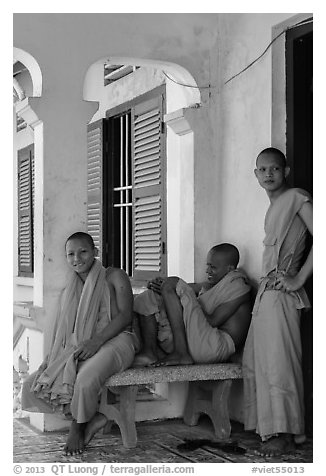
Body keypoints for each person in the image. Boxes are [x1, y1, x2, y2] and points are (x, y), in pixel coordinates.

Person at [21, 232, 138, 456]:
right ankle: (95, 418)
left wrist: (97, 341)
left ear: (95, 252)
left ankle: (78, 426)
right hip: (85, 345)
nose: (77, 259)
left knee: (84, 379)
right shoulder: (72, 287)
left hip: (118, 340)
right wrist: (59, 356)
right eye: (71, 254)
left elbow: (125, 316)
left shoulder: (114, 276)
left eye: (83, 251)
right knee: (35, 384)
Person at [242, 147, 313, 457]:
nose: (268, 174)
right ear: (256, 175)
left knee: (280, 364)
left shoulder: (297, 196)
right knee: (260, 361)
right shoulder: (274, 207)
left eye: (274, 168)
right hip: (266, 293)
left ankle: (284, 432)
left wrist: (298, 280)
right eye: (262, 169)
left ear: (285, 172)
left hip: (283, 293)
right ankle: (280, 430)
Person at [133, 243, 252, 367]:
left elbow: (213, 320)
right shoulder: (211, 286)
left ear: (229, 269)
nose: (208, 270)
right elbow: (184, 289)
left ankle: (181, 353)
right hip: (198, 341)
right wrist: (159, 285)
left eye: (213, 267)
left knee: (173, 283)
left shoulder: (238, 286)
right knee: (149, 296)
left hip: (214, 346)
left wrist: (185, 298)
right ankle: (149, 351)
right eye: (208, 266)